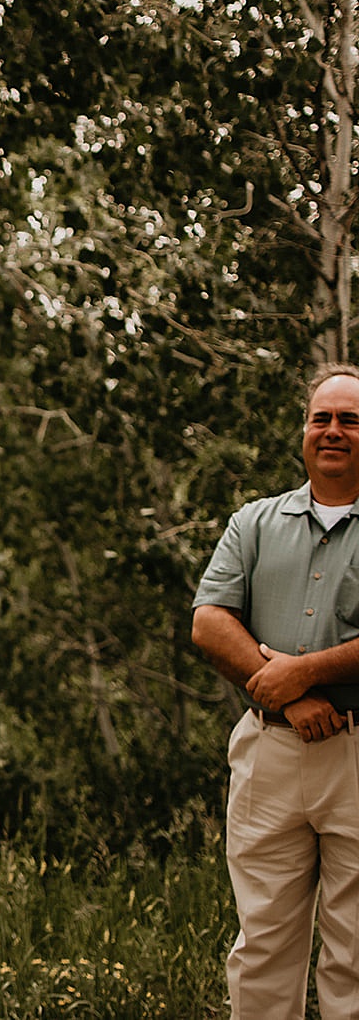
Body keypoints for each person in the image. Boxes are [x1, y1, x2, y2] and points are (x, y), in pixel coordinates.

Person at [192, 362, 359, 1020]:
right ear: (304, 430)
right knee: (261, 946)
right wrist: (287, 694)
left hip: (356, 753)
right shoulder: (256, 522)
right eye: (323, 417)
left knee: (356, 956)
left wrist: (307, 669)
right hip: (270, 750)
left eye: (350, 419)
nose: (334, 430)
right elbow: (209, 619)